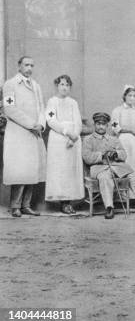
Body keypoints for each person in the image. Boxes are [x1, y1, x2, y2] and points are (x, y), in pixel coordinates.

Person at [82, 112, 135, 219]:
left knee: (134, 178)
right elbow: (87, 157)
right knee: (105, 178)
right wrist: (101, 155)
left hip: (117, 167)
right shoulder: (88, 139)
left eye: (103, 124)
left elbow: (124, 155)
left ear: (107, 126)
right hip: (99, 168)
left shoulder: (113, 139)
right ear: (95, 125)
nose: (101, 126)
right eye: (98, 124)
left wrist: (116, 154)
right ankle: (109, 208)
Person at [2, 56, 46, 217]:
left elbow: (42, 108)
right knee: (20, 170)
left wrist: (41, 124)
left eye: (32, 65)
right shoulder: (10, 84)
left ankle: (26, 205)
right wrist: (31, 124)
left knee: (32, 170)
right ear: (19, 66)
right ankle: (15, 206)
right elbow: (9, 109)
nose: (29, 68)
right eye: (26, 65)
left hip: (34, 133)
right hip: (18, 134)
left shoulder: (36, 86)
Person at [45, 74, 83, 214]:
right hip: (58, 139)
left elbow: (78, 122)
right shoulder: (51, 102)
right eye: (62, 84)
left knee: (70, 170)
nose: (64, 87)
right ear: (57, 86)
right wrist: (67, 132)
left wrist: (74, 136)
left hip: (72, 140)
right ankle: (63, 202)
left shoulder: (73, 103)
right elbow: (51, 121)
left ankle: (69, 201)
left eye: (67, 85)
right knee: (60, 170)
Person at [111, 85, 135, 192]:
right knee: (127, 164)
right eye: (129, 95)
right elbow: (115, 127)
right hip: (124, 141)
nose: (132, 98)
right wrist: (129, 130)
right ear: (124, 96)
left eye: (134, 96)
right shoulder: (117, 110)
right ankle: (124, 194)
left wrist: (134, 132)